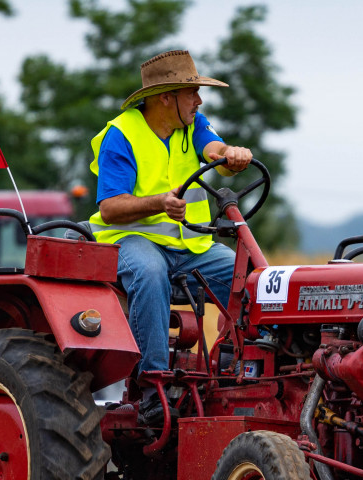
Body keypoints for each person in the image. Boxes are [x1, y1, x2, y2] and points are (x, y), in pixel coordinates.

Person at [88, 49, 252, 425]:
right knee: (147, 272)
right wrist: (159, 204)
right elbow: (111, 208)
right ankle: (153, 388)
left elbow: (215, 152)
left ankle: (241, 366)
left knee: (249, 277)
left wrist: (232, 155)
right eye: (191, 92)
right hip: (129, 239)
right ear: (166, 97)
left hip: (188, 247)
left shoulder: (193, 125)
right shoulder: (121, 134)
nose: (199, 100)